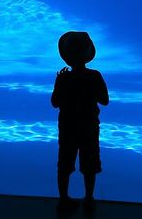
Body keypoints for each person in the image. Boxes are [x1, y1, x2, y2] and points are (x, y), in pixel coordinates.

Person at [51, 31, 109, 212]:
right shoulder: (95, 76)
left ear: (66, 56)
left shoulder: (63, 77)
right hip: (89, 126)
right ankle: (89, 197)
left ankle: (63, 198)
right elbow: (104, 100)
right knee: (90, 162)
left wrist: (59, 82)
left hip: (67, 126)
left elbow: (54, 103)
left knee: (65, 162)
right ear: (88, 53)